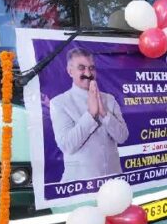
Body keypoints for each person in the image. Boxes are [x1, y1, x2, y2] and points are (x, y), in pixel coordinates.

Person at [50, 48, 129, 182]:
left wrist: (104, 113)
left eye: (91, 68)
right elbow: (68, 145)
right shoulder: (59, 103)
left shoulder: (109, 99)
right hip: (81, 185)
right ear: (70, 71)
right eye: (81, 68)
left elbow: (122, 137)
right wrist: (91, 114)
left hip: (114, 182)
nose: (88, 73)